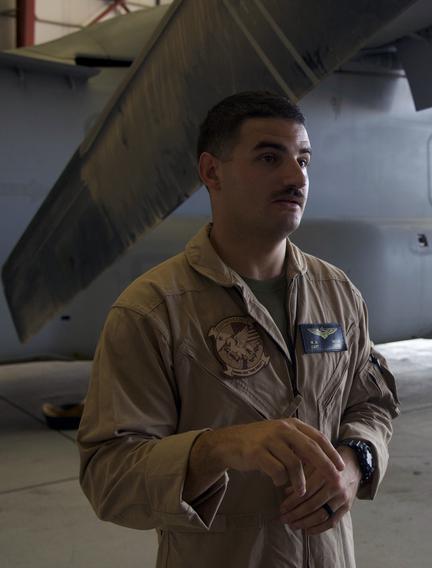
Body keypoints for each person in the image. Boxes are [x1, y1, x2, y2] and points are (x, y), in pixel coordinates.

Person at [77, 91, 399, 568]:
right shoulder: (151, 311)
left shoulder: (338, 293)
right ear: (212, 172)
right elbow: (109, 478)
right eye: (269, 157)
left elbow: (371, 404)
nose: (296, 178)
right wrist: (219, 448)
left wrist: (355, 463)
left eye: (303, 160)